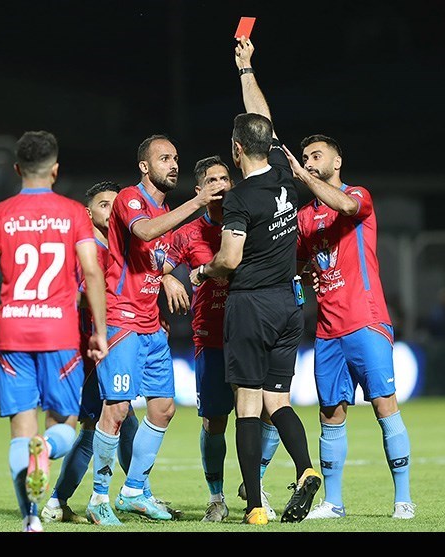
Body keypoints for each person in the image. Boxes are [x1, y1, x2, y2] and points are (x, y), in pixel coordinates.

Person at [189, 37, 320, 525]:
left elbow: (228, 259)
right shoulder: (285, 175)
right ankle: (306, 468)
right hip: (289, 304)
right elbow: (262, 121)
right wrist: (246, 70)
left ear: (236, 149)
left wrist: (202, 270)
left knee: (246, 406)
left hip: (251, 306)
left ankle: (256, 507)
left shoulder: (240, 199)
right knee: (277, 401)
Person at [0, 131, 108, 532]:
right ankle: (45, 448)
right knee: (63, 426)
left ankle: (30, 518)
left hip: (12, 332)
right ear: (55, 170)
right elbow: (92, 272)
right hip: (58, 333)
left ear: (17, 169)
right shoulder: (73, 213)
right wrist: (99, 330)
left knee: (20, 433)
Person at [86, 134, 225, 526]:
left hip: (150, 323)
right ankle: (99, 498)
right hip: (121, 318)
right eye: (164, 158)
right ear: (145, 166)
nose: (173, 164)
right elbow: (144, 232)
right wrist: (198, 202)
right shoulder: (130, 198)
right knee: (117, 408)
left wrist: (167, 278)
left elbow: (155, 259)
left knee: (163, 408)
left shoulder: (168, 215)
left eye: (176, 158)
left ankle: (133, 491)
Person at [282, 132, 415, 520]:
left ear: (336, 162)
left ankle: (403, 499)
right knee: (330, 414)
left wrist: (305, 179)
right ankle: (334, 503)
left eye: (316, 156)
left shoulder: (357, 195)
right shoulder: (304, 217)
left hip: (366, 321)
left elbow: (343, 205)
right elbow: (298, 262)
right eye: (305, 157)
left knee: (384, 406)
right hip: (327, 331)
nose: (309, 162)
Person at [41, 181, 179, 524]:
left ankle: (133, 492)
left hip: (107, 344)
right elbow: (73, 296)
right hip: (88, 349)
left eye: (116, 205)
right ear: (88, 213)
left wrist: (161, 287)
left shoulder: (118, 253)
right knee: (103, 422)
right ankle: (65, 498)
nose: (113, 210)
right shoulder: (86, 252)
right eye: (105, 205)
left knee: (119, 419)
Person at [164, 155, 282, 522]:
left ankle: (254, 482)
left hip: (252, 330)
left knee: (270, 411)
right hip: (211, 334)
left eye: (224, 178)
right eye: (212, 180)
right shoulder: (187, 233)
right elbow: (154, 266)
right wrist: (167, 278)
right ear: (199, 190)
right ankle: (216, 498)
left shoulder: (251, 222)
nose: (220, 185)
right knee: (214, 421)